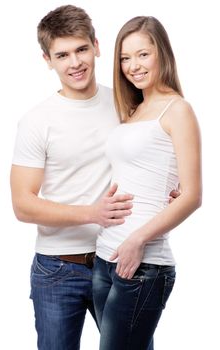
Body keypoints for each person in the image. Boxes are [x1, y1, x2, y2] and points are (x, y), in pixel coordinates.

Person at [10, 6, 179, 350]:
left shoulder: (125, 102)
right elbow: (22, 204)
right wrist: (92, 213)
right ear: (47, 60)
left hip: (121, 261)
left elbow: (152, 153)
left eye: (81, 49)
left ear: (97, 46)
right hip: (58, 269)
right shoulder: (36, 120)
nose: (75, 63)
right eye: (62, 55)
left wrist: (169, 190)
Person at [92, 16, 202, 350]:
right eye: (125, 58)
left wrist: (138, 239)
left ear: (162, 54)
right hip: (104, 258)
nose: (133, 66)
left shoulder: (177, 109)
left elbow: (194, 195)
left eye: (143, 54)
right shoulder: (134, 111)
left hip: (143, 262)